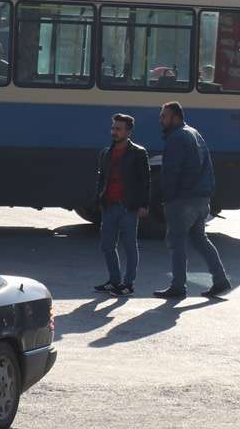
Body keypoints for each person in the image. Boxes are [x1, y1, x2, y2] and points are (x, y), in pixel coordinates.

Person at [155, 101, 230, 299]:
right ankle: (220, 280)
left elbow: (173, 171)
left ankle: (178, 286)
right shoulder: (194, 133)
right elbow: (205, 166)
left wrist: (169, 196)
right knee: (200, 239)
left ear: (175, 117)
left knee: (176, 241)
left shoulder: (177, 138)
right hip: (201, 198)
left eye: (164, 116)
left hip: (183, 199)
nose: (160, 120)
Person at [94, 113, 151, 296]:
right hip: (109, 205)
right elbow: (102, 178)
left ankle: (128, 284)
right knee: (107, 245)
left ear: (128, 132)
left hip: (128, 207)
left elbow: (145, 180)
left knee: (129, 246)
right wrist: (99, 199)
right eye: (113, 128)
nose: (114, 132)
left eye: (118, 129)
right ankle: (114, 280)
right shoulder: (106, 153)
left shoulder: (138, 153)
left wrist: (144, 204)